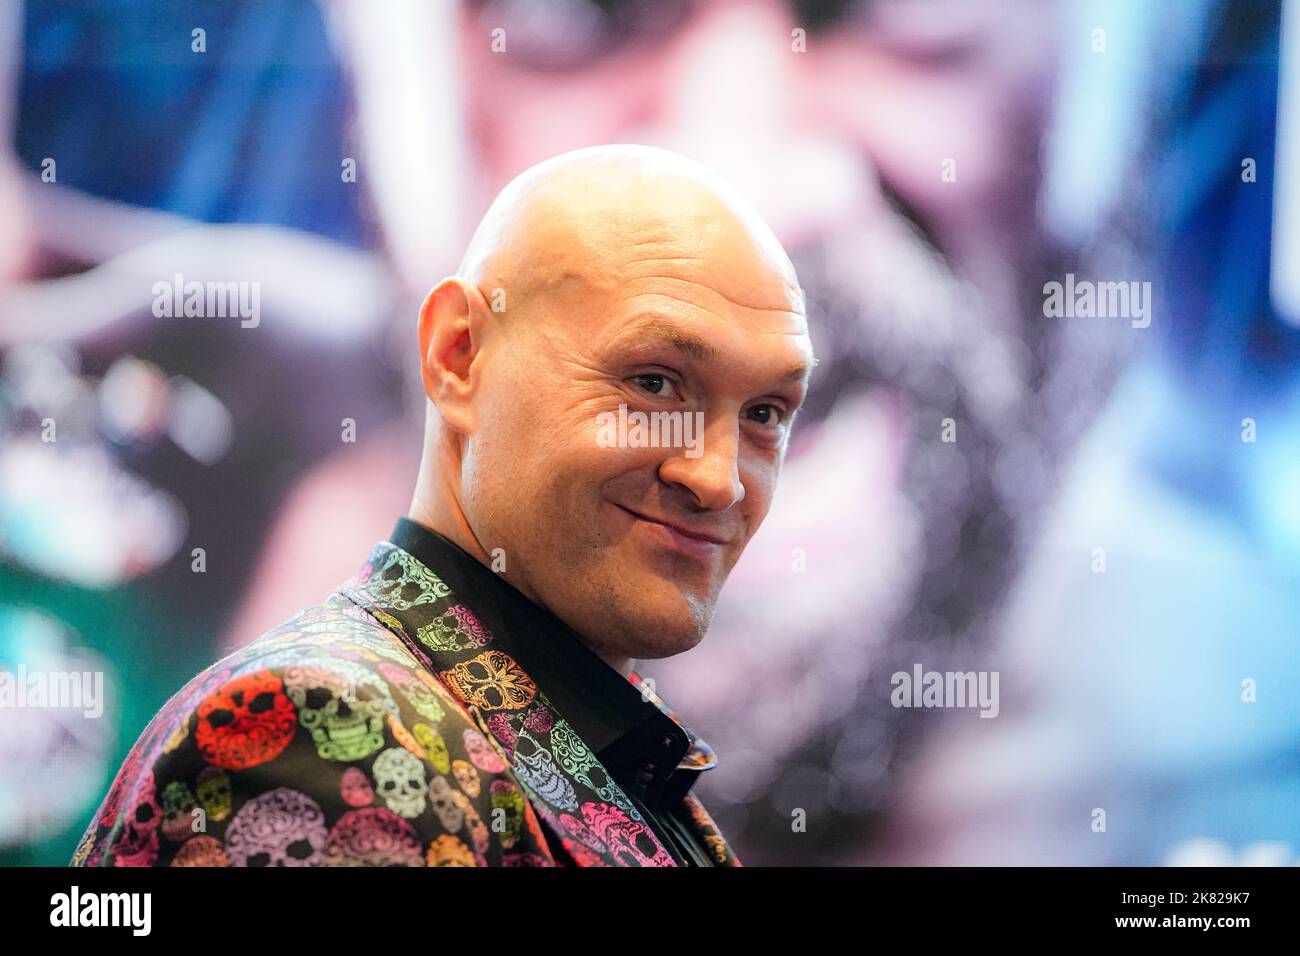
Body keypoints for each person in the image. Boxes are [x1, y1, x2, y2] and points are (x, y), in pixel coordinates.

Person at [70, 143, 814, 867]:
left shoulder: (594, 746)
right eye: (653, 383)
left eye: (765, 413)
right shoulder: (332, 732)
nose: (720, 479)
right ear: (458, 355)